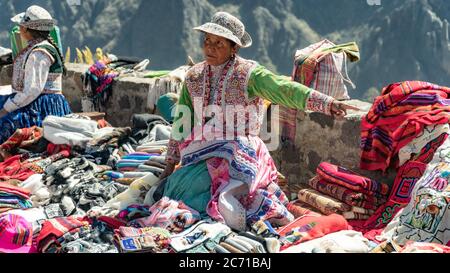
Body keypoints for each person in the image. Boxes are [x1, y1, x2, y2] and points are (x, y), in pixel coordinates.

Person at [158, 12, 359, 231]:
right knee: (177, 185)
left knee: (202, 190)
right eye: (207, 40)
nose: (210, 48)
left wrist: (327, 103)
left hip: (240, 151)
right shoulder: (194, 76)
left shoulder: (249, 74)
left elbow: (285, 90)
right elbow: (182, 121)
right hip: (203, 148)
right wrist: (170, 164)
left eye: (218, 43)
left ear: (234, 47)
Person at [0, 5, 71, 145]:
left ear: (26, 28)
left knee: (4, 125)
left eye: (21, 25)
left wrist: (6, 109)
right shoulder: (36, 48)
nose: (19, 27)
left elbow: (32, 89)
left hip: (41, 105)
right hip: (33, 99)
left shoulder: (39, 53)